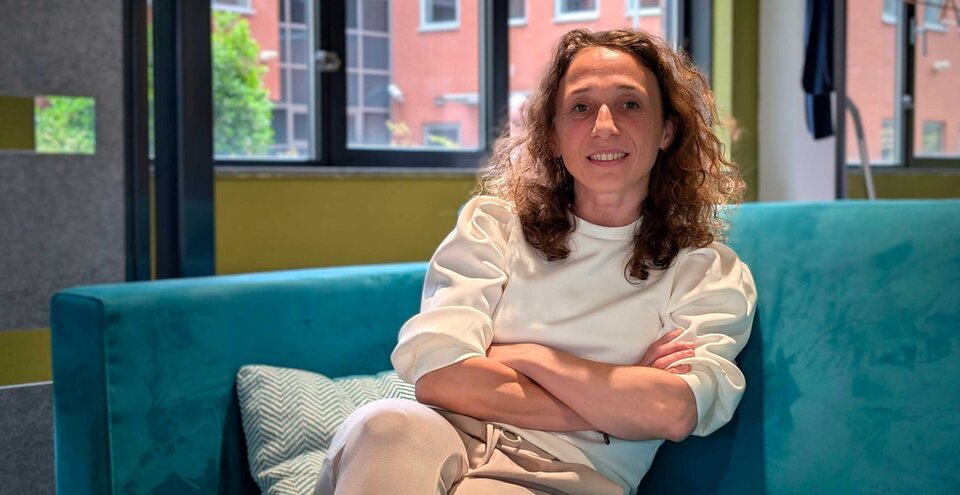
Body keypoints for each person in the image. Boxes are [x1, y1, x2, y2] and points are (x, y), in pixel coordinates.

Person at [316, 28, 756, 495]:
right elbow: (439, 375)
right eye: (581, 107)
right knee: (382, 425)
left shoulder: (704, 271)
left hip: (569, 474)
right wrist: (613, 402)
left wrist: (528, 356)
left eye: (629, 104)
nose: (604, 126)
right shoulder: (493, 226)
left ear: (667, 129)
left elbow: (673, 410)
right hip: (444, 434)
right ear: (553, 136)